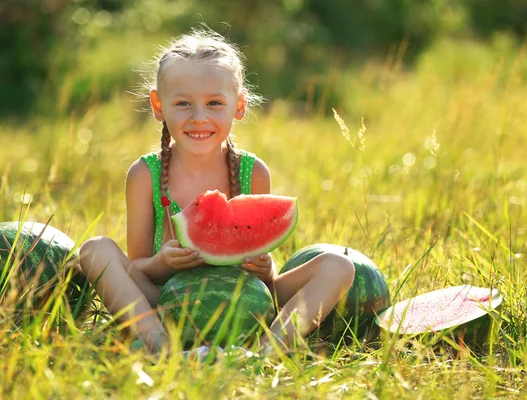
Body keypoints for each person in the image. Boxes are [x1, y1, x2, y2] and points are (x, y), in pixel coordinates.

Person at [79, 28, 356, 356]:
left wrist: (268, 269)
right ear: (158, 105)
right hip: (168, 301)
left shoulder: (252, 171)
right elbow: (137, 267)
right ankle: (162, 349)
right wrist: (163, 264)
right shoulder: (145, 175)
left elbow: (263, 272)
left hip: (245, 302)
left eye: (214, 103)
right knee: (95, 250)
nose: (199, 118)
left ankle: (266, 353)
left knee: (339, 266)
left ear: (238, 106)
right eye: (183, 103)